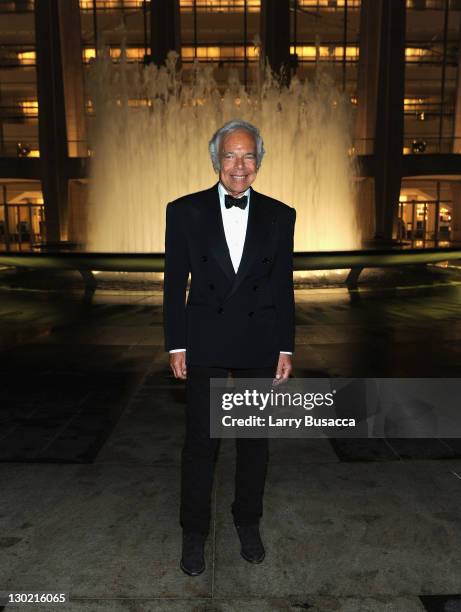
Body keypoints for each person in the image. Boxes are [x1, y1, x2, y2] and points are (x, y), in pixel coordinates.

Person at [163, 119, 296, 576]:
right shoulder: (184, 210)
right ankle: (194, 532)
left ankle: (248, 523)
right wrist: (176, 343)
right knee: (202, 443)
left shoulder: (282, 214)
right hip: (206, 340)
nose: (239, 166)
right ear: (216, 159)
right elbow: (174, 284)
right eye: (230, 156)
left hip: (260, 339)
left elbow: (283, 286)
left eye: (248, 156)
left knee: (254, 442)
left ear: (258, 160)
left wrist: (286, 347)